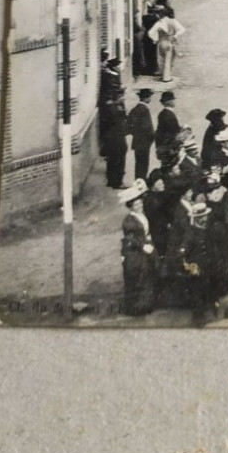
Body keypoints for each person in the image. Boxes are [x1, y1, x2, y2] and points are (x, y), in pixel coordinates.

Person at [119, 180, 157, 316]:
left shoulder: (141, 215)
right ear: (131, 207)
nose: (140, 206)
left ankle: (146, 305)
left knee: (147, 276)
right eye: (136, 204)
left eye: (140, 203)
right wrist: (143, 246)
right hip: (135, 253)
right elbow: (130, 239)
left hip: (146, 247)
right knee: (138, 278)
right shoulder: (128, 221)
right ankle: (137, 308)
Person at [125, 88, 156, 182]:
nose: (150, 99)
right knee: (144, 164)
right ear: (146, 98)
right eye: (150, 97)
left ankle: (138, 181)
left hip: (137, 141)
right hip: (144, 142)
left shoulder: (135, 109)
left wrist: (135, 133)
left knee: (138, 163)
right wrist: (152, 137)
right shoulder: (145, 110)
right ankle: (142, 182)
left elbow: (128, 126)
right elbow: (147, 127)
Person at [148, 10, 186, 82]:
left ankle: (163, 75)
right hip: (170, 42)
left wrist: (155, 39)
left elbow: (150, 33)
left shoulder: (159, 23)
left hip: (161, 42)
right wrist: (175, 36)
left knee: (161, 59)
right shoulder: (173, 21)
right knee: (169, 59)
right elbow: (182, 29)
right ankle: (167, 77)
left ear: (160, 15)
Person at [99, 97, 129, 189]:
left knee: (111, 159)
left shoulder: (109, 107)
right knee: (119, 159)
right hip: (117, 137)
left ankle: (111, 181)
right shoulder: (117, 109)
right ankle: (118, 182)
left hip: (110, 137)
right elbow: (123, 119)